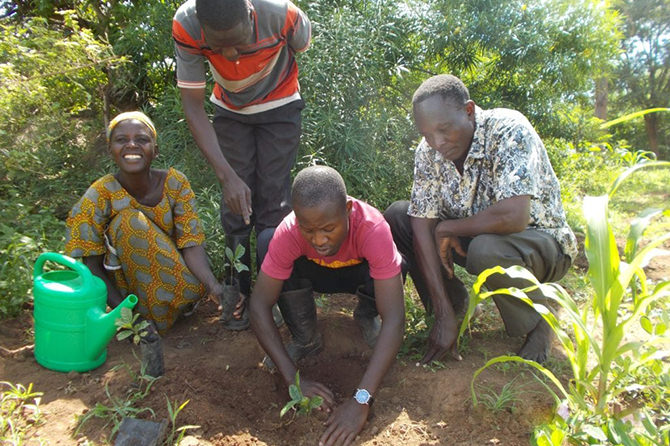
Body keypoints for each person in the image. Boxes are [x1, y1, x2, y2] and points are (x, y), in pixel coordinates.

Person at [384, 74, 577, 364]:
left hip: (541, 246)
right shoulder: (428, 152)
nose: (436, 142)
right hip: (477, 239)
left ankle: (539, 322)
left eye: (444, 129)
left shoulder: (508, 129)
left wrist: (449, 227)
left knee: (486, 248)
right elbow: (422, 223)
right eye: (426, 134)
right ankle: (453, 306)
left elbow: (514, 216)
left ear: (469, 111)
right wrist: (442, 312)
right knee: (400, 216)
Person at [172, 0, 311, 329]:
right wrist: (228, 177)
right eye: (220, 48)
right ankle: (236, 295)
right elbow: (193, 108)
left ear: (252, 15)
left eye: (238, 42)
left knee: (273, 204)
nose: (232, 56)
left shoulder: (283, 15)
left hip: (281, 106)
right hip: (231, 112)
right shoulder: (188, 24)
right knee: (235, 207)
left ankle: (273, 294)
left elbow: (300, 46)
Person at [249, 166, 405, 446]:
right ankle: (305, 337)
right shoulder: (290, 231)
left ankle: (366, 317)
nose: (319, 240)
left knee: (396, 264)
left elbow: (395, 318)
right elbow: (259, 306)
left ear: (347, 209)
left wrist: (361, 399)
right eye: (308, 229)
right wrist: (293, 381)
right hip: (313, 275)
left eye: (328, 228)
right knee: (267, 240)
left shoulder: (372, 227)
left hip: (359, 276)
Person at [65, 111, 224, 334]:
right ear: (111, 151)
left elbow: (191, 243)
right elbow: (92, 266)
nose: (132, 145)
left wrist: (213, 285)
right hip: (128, 298)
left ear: (155, 150)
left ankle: (176, 309)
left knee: (133, 222)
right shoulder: (98, 196)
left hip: (179, 288)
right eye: (122, 140)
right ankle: (145, 319)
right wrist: (126, 318)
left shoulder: (174, 183)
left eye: (141, 139)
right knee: (130, 222)